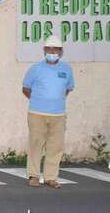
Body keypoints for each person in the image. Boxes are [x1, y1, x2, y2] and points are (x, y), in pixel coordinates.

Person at [22, 35, 74, 189]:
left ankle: (51, 177)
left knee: (55, 147)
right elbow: (25, 88)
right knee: (35, 145)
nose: (52, 51)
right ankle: (34, 176)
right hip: (37, 113)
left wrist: (55, 101)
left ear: (61, 51)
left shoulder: (66, 69)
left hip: (58, 115)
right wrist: (39, 101)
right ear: (44, 50)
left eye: (55, 49)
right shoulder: (36, 68)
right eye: (49, 48)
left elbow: (68, 88)